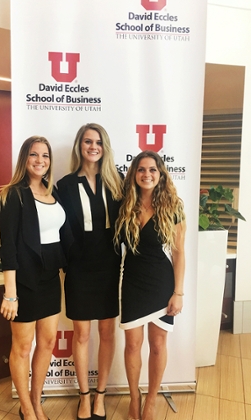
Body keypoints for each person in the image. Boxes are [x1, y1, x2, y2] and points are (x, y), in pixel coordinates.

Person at [0, 135, 72, 420]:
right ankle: (27, 408)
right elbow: (9, 248)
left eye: (45, 155)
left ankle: (37, 400)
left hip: (50, 277)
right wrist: (10, 293)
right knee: (23, 346)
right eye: (33, 155)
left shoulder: (53, 192)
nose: (40, 160)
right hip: (24, 281)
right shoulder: (12, 195)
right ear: (24, 159)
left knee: (48, 342)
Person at [57, 123, 123, 420]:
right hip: (80, 267)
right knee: (81, 334)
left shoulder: (118, 181)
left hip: (108, 264)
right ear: (79, 146)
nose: (93, 146)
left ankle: (101, 396)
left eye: (98, 142)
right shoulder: (65, 184)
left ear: (104, 146)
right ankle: (84, 396)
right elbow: (63, 228)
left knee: (107, 332)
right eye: (87, 141)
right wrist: (71, 259)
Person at [114, 150, 186, 420]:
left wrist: (178, 292)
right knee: (132, 345)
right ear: (134, 174)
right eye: (141, 169)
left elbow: (179, 252)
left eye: (152, 170)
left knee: (158, 345)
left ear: (160, 174)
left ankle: (152, 400)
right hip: (132, 282)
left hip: (162, 283)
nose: (147, 174)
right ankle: (135, 398)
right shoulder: (123, 205)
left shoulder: (173, 206)